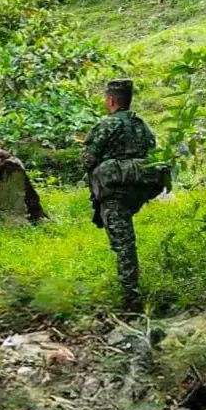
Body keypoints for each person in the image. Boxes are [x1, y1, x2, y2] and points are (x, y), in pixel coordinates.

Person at [83, 79, 157, 315]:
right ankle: (129, 291)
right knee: (124, 239)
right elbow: (152, 150)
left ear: (111, 99)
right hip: (139, 189)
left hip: (115, 192)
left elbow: (87, 159)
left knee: (124, 244)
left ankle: (130, 298)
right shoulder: (141, 125)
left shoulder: (106, 125)